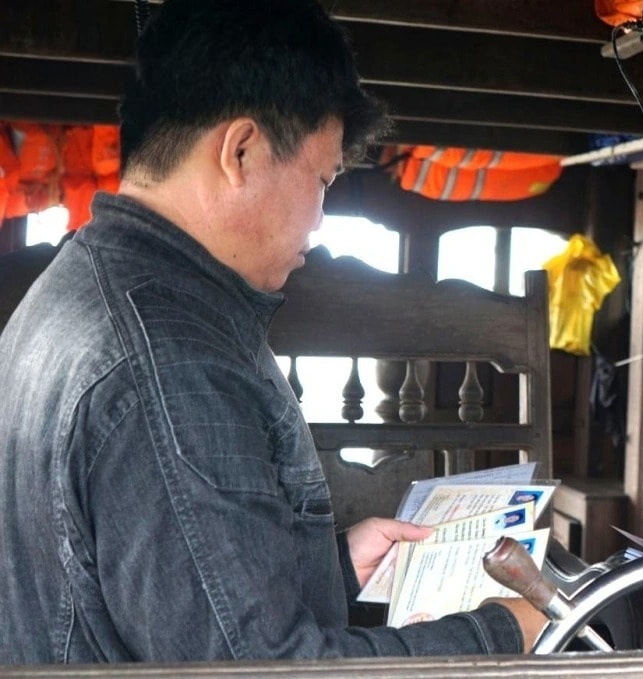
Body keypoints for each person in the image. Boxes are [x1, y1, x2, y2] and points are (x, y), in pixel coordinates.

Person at [0, 0, 544, 664]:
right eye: (322, 179)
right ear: (242, 150)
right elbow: (263, 668)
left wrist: (335, 568)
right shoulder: (172, 363)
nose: (319, 221)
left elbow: (175, 596)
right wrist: (504, 631)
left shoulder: (82, 286)